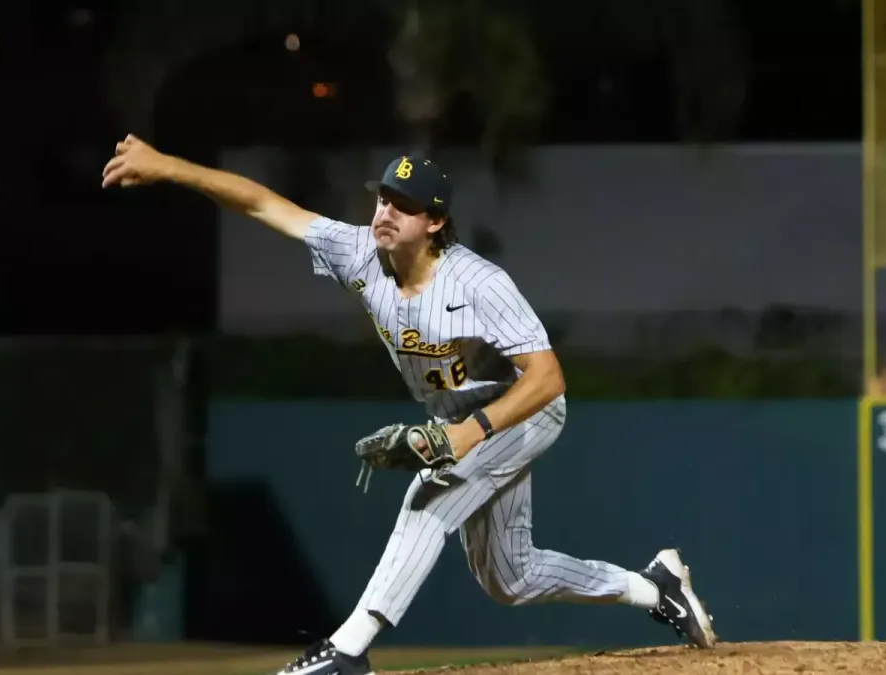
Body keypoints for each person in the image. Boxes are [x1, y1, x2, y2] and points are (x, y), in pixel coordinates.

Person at [103, 136, 717, 675]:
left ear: (435, 223)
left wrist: (465, 436)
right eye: (382, 198)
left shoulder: (478, 283)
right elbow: (264, 204)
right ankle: (654, 588)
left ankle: (349, 649)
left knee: (429, 492)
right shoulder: (360, 255)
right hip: (464, 420)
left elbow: (549, 379)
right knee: (511, 578)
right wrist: (169, 167)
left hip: (521, 411)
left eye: (403, 205)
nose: (385, 211)